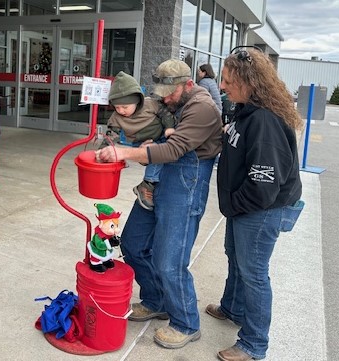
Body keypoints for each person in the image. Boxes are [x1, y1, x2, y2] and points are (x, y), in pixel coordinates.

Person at [96, 59, 222, 349]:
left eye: (170, 92)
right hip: (159, 178)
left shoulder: (202, 106)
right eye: (161, 91)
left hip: (186, 182)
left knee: (170, 260)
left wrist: (128, 153)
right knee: (132, 243)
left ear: (188, 85)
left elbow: (175, 149)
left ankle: (186, 322)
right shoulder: (171, 103)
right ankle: (156, 300)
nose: (164, 97)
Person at [205, 47, 304, 361]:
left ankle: (253, 344)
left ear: (251, 83)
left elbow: (264, 184)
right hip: (244, 207)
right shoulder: (245, 109)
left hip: (259, 211)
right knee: (235, 258)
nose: (222, 86)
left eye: (228, 81)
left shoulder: (263, 121)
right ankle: (233, 307)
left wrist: (233, 204)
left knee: (254, 274)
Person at [103, 71, 176, 211]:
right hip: (138, 142)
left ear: (137, 101)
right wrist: (103, 151)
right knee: (156, 154)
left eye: (125, 107)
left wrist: (169, 128)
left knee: (161, 152)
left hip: (160, 135)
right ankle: (147, 184)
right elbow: (110, 136)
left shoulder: (150, 104)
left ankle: (149, 183)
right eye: (117, 107)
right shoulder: (116, 117)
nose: (121, 111)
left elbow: (165, 113)